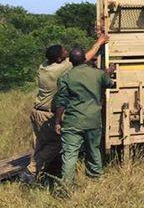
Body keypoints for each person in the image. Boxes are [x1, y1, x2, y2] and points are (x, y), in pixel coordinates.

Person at [23, 34, 109, 182]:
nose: (67, 52)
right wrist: (99, 42)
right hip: (48, 114)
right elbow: (84, 58)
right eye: (64, 52)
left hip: (36, 111)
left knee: (41, 144)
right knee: (56, 144)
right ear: (58, 59)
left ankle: (36, 174)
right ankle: (30, 172)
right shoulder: (60, 70)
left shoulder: (43, 67)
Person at [53, 47, 115, 186]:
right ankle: (96, 179)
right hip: (93, 121)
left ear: (70, 61)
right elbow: (109, 83)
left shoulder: (66, 77)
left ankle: (67, 186)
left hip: (73, 122)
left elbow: (61, 102)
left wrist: (57, 122)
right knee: (94, 151)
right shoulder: (97, 74)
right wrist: (109, 72)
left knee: (69, 155)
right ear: (85, 59)